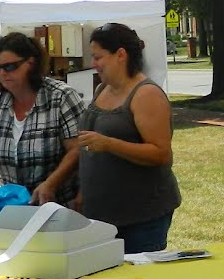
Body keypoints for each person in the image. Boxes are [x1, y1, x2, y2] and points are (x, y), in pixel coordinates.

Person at [74, 23, 181, 252]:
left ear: (120, 55)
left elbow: (161, 154)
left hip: (141, 218)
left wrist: (109, 144)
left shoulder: (146, 94)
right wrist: (83, 194)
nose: (94, 64)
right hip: (101, 215)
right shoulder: (102, 89)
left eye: (98, 57)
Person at [0, 32, 86, 205]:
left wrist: (51, 184)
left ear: (31, 63)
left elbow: (77, 150)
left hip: (59, 206)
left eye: (10, 66)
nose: (2, 73)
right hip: (14, 206)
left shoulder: (61, 97)